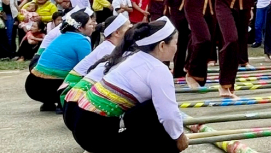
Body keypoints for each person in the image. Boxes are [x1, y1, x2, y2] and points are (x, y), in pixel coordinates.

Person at [72, 18, 188, 153]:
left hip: (80, 126)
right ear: (162, 45)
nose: (177, 48)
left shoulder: (134, 57)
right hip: (96, 136)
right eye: (176, 43)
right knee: (167, 138)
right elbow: (169, 115)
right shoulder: (157, 69)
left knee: (152, 108)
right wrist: (179, 137)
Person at [25, 8, 94, 113]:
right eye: (90, 24)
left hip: (32, 85)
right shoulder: (82, 41)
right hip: (53, 87)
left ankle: (49, 102)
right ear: (80, 27)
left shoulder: (61, 36)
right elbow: (87, 68)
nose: (94, 26)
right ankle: (62, 101)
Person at [59, 14, 132, 106]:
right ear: (116, 33)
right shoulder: (108, 49)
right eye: (129, 29)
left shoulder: (110, 46)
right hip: (73, 91)